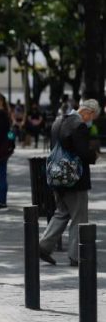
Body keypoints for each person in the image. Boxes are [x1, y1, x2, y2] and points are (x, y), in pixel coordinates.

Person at [39, 99, 100, 266]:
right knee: (79, 216)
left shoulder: (59, 121)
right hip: (74, 178)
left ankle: (43, 246)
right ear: (88, 112)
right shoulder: (79, 125)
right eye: (92, 115)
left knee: (62, 212)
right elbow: (82, 152)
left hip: (57, 176)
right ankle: (76, 255)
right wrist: (93, 155)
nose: (91, 119)